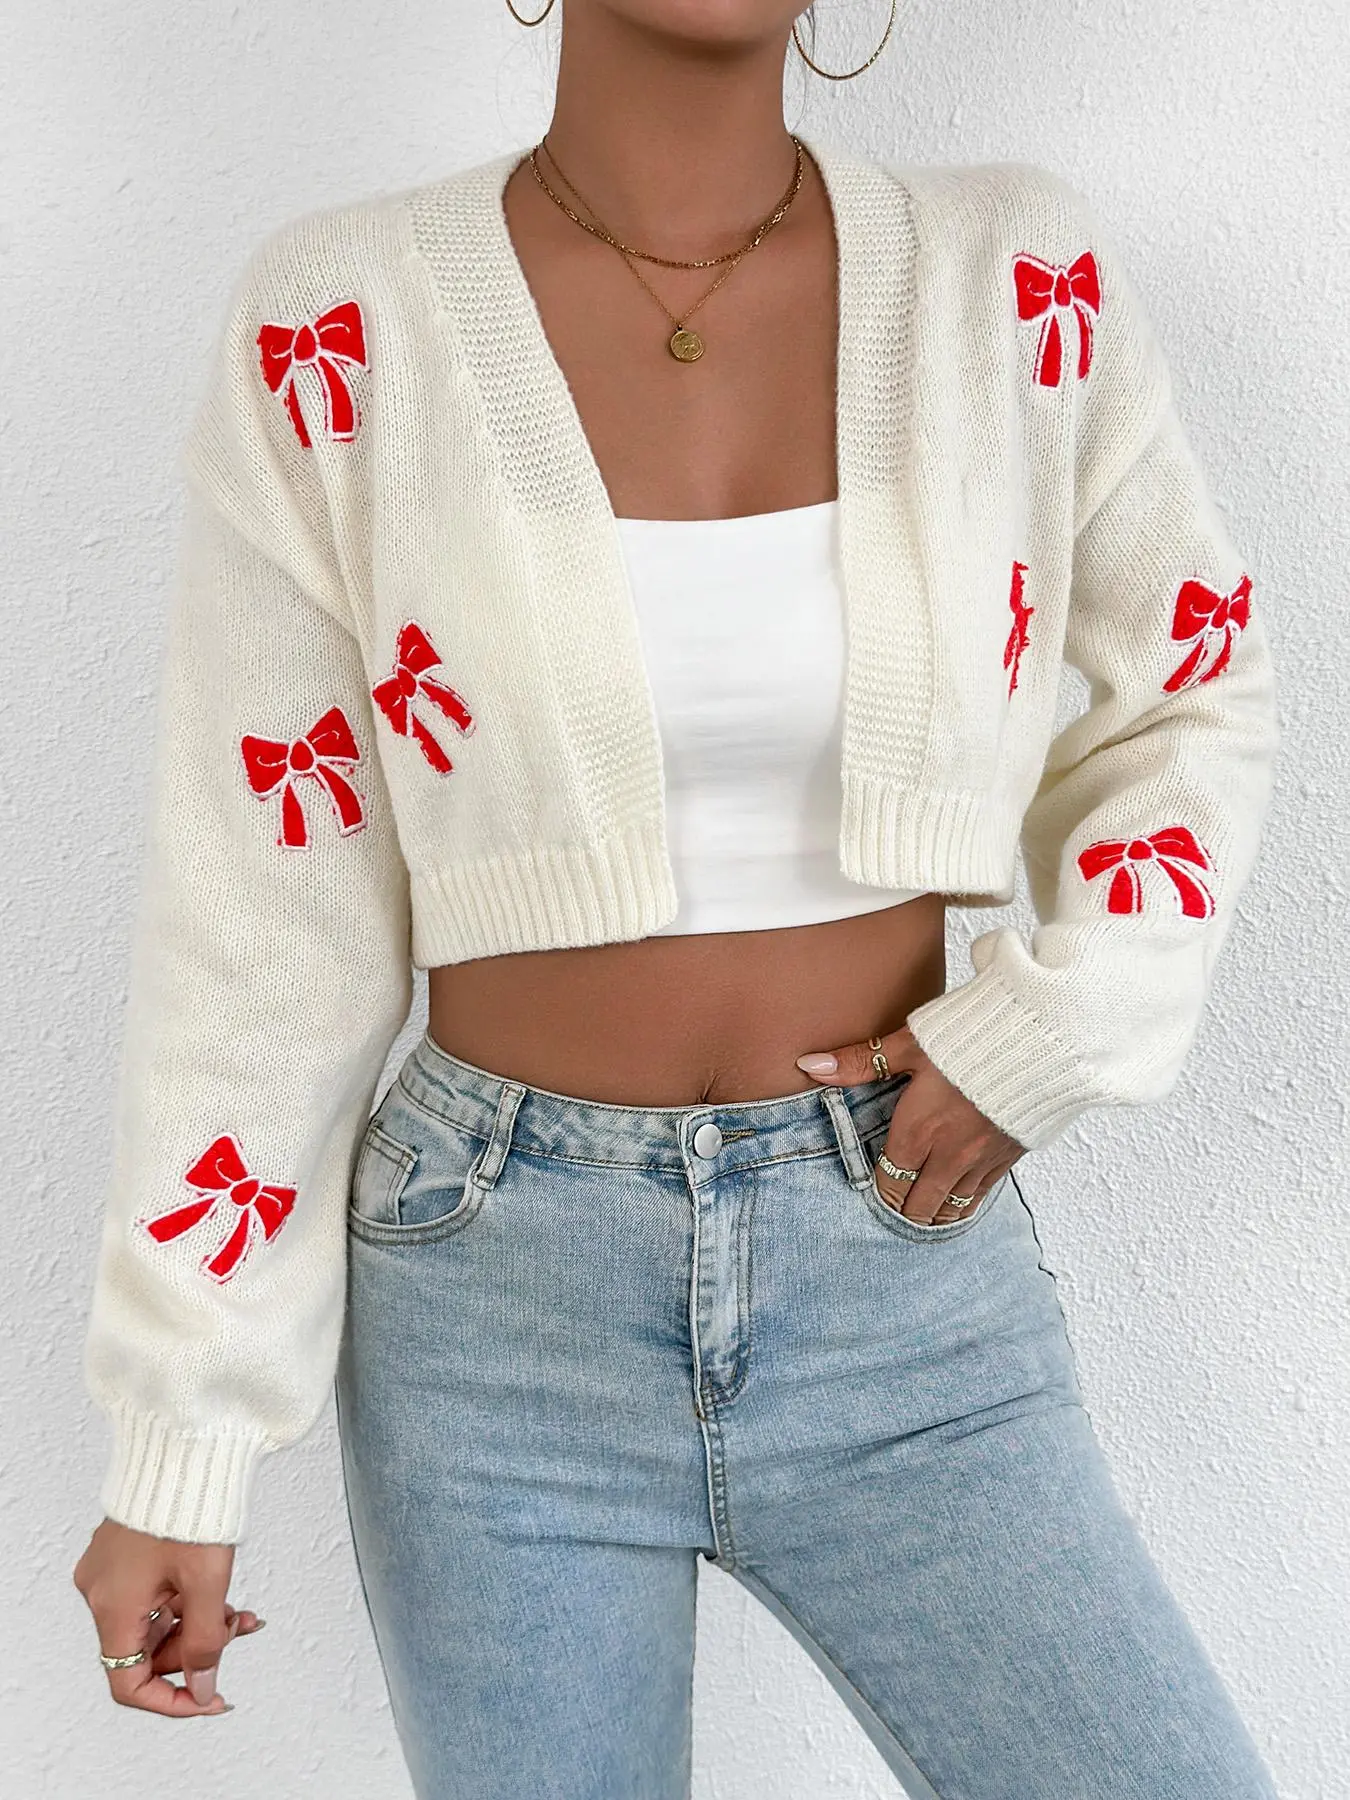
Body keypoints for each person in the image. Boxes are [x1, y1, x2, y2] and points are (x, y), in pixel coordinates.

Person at [72, 0, 1281, 1793]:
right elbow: (262, 904)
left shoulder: (1011, 277)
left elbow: (1186, 688)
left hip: (898, 1271)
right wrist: (181, 1432)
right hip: (494, 1307)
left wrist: (1052, 1026)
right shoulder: (342, 319)